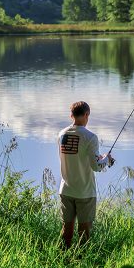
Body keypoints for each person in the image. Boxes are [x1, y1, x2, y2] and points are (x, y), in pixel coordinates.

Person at [58, 100, 113, 249]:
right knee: (85, 232)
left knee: (66, 230)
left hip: (66, 190)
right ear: (87, 114)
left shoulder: (62, 134)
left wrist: (100, 157)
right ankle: (81, 262)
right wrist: (106, 159)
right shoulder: (91, 137)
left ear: (71, 115)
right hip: (85, 192)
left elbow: (77, 155)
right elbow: (96, 166)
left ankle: (62, 258)